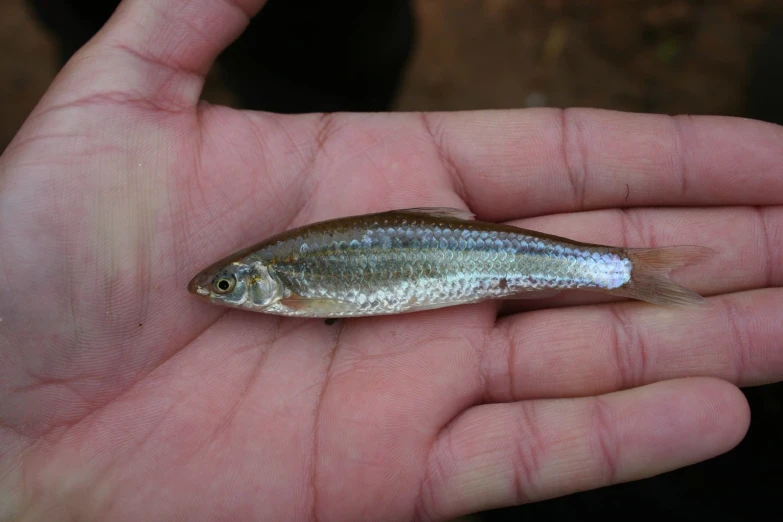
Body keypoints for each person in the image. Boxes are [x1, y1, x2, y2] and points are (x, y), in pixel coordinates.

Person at [1, 0, 781, 520]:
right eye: (230, 285)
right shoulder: (286, 278)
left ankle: (625, 270)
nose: (225, 293)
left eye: (232, 284)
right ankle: (627, 272)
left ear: (269, 282)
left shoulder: (290, 281)